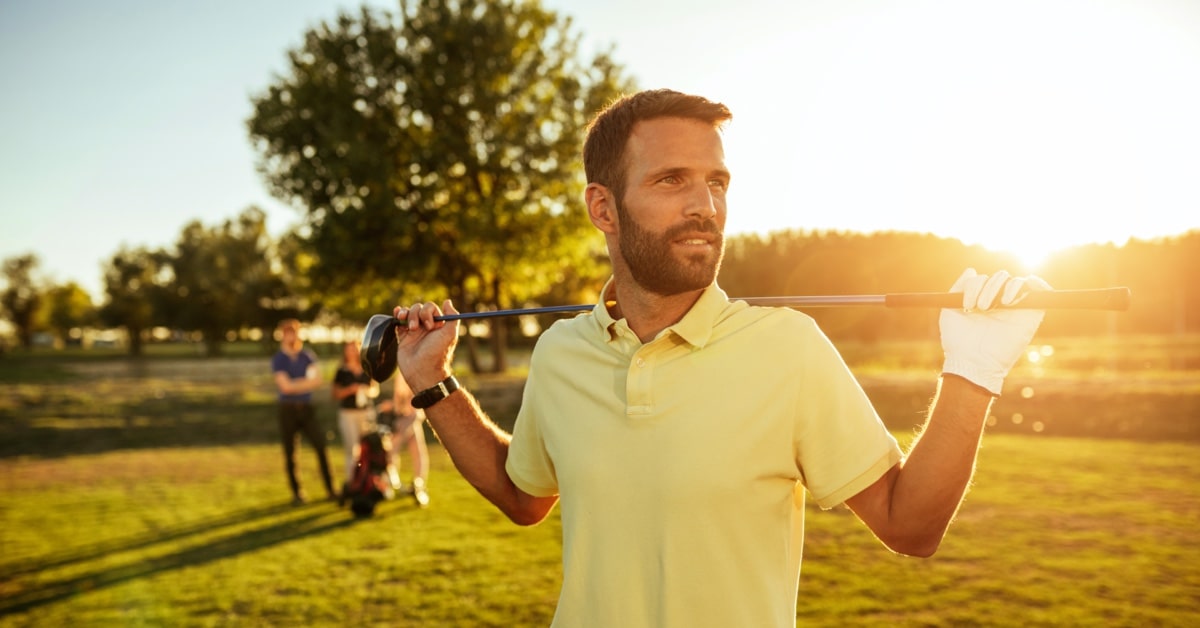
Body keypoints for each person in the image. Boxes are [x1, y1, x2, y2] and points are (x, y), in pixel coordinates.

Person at [388, 89, 1050, 627]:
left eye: (717, 182)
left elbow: (911, 527)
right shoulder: (562, 352)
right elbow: (523, 495)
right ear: (603, 207)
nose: (705, 205)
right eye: (673, 180)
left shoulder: (787, 347)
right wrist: (431, 384)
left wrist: (975, 369)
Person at [271, 318, 336, 505]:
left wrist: (295, 384)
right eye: (288, 332)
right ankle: (297, 493)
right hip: (287, 411)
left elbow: (317, 381)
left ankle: (331, 489)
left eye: (294, 332)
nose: (292, 336)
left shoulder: (307, 356)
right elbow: (285, 388)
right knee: (290, 452)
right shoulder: (279, 359)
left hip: (306, 409)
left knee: (320, 447)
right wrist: (303, 385)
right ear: (283, 335)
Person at [332, 339, 379, 497]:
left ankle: (370, 481)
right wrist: (350, 390)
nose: (351, 351)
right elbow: (335, 394)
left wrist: (364, 391)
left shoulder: (366, 368)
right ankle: (354, 482)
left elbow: (374, 390)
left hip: (366, 413)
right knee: (352, 449)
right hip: (348, 413)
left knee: (369, 448)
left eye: (354, 348)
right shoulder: (342, 372)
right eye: (349, 349)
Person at [376, 371, 431, 507]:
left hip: (411, 418)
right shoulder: (401, 374)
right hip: (405, 417)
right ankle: (393, 483)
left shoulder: (415, 373)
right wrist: (393, 407)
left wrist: (395, 407)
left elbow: (413, 399)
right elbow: (399, 399)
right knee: (401, 452)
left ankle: (417, 484)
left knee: (395, 451)